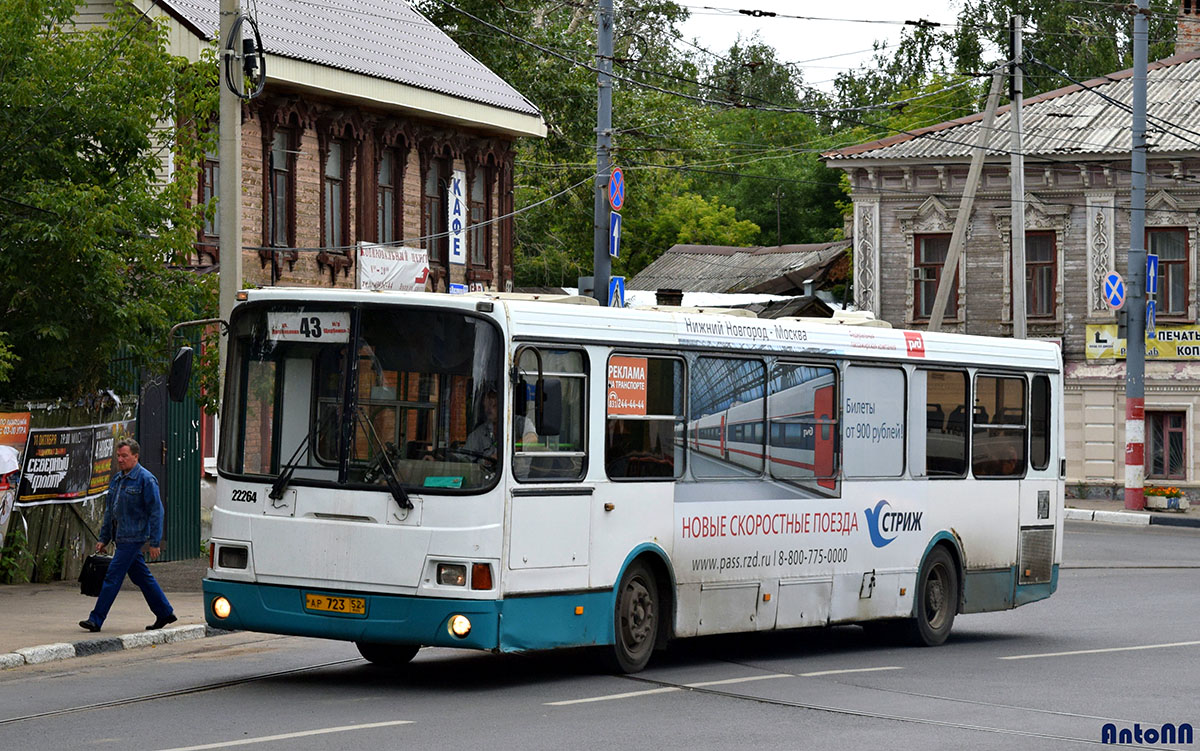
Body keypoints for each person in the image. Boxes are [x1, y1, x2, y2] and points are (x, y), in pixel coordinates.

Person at [79, 439, 176, 633]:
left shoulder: (146, 480)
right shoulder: (117, 480)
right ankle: (165, 612)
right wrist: (103, 538)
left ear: (135, 456)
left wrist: (155, 542)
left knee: (112, 577)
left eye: (124, 456)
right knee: (142, 578)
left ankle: (96, 619)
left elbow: (157, 512)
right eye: (118, 456)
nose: (120, 460)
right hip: (120, 536)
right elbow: (110, 512)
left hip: (134, 537)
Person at [463, 388, 537, 461]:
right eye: (487, 403)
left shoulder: (520, 422)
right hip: (488, 472)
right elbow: (464, 459)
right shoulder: (479, 433)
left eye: (493, 404)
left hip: (518, 472)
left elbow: (532, 438)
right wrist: (487, 461)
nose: (489, 408)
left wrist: (508, 451)